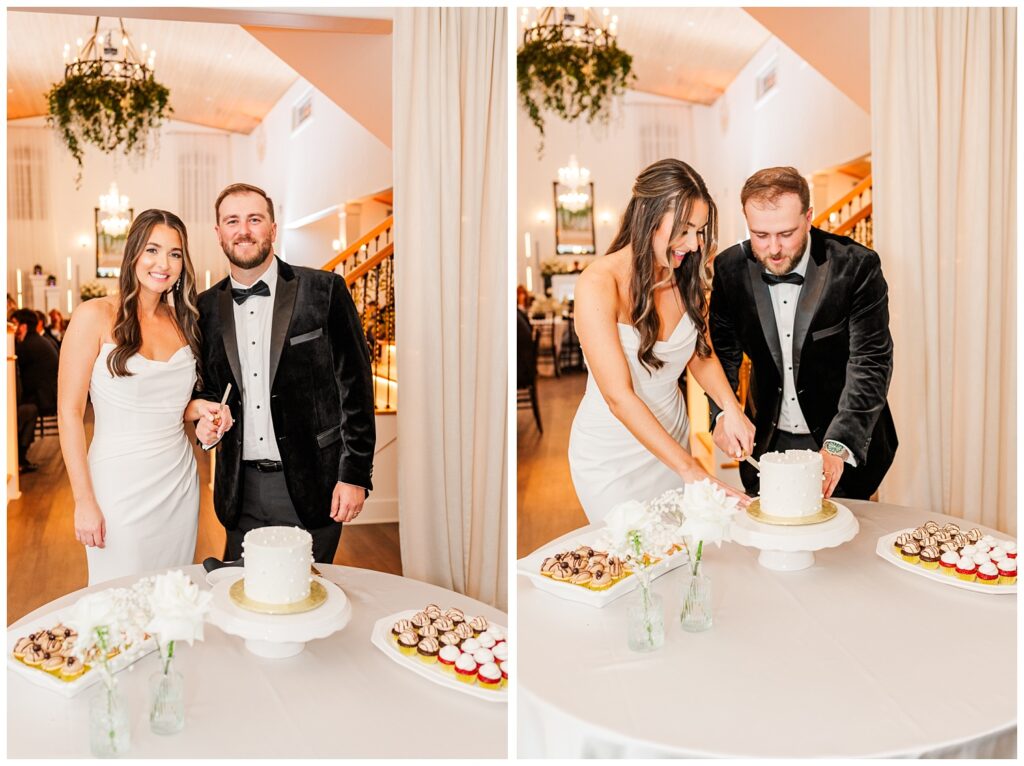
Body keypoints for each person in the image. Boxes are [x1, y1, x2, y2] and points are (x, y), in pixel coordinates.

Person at [194, 183, 376, 564]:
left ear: (273, 229)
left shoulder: (325, 290)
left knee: (308, 603)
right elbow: (208, 390)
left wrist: (355, 474)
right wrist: (206, 426)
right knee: (241, 603)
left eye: (254, 219)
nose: (243, 230)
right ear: (218, 233)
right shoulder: (204, 308)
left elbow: (356, 388)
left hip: (315, 485)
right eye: (233, 221)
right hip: (238, 491)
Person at [568, 159, 754, 522]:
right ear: (648, 216)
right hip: (613, 455)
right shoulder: (598, 284)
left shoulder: (686, 278)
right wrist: (692, 469)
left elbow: (701, 355)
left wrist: (731, 407)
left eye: (699, 231)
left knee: (677, 558)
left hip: (672, 438)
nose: (694, 245)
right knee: (632, 557)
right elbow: (618, 397)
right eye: (684, 230)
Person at [58, 209, 233, 585]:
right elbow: (69, 413)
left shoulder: (184, 320)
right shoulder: (94, 316)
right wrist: (84, 500)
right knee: (119, 596)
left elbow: (164, 403)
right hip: (117, 484)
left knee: (171, 594)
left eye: (174, 253)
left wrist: (198, 409)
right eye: (152, 250)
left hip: (177, 481)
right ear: (134, 252)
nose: (163, 263)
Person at [709, 166, 897, 500]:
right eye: (760, 235)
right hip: (768, 441)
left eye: (786, 233)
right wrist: (723, 414)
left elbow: (871, 362)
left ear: (809, 217)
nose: (774, 249)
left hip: (839, 437)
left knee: (844, 543)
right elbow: (722, 354)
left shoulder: (855, 266)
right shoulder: (729, 269)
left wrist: (838, 446)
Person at [13, 308, 58, 427]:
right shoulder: (38, 340)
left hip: (43, 399)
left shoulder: (26, 346)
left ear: (23, 326)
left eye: (14, 324)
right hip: (49, 396)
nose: (12, 328)